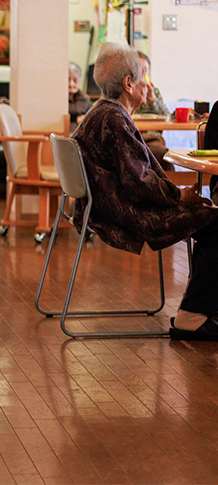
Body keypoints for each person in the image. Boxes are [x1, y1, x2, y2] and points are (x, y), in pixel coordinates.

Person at [72, 42, 218, 341]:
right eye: (144, 78)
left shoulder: (102, 111)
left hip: (107, 204)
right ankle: (193, 314)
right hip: (126, 212)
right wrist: (180, 196)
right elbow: (139, 184)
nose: (147, 85)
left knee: (210, 220)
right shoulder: (114, 119)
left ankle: (201, 309)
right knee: (215, 222)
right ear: (129, 83)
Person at [135, 51, 173, 170]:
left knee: (164, 156)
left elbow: (168, 117)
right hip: (135, 137)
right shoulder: (126, 91)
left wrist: (152, 99)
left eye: (145, 70)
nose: (143, 73)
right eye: (139, 69)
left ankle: (170, 187)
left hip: (153, 139)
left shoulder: (154, 92)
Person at [68, 61, 91, 133]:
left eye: (75, 81)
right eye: (68, 80)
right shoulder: (58, 98)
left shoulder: (85, 99)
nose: (71, 84)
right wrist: (76, 119)